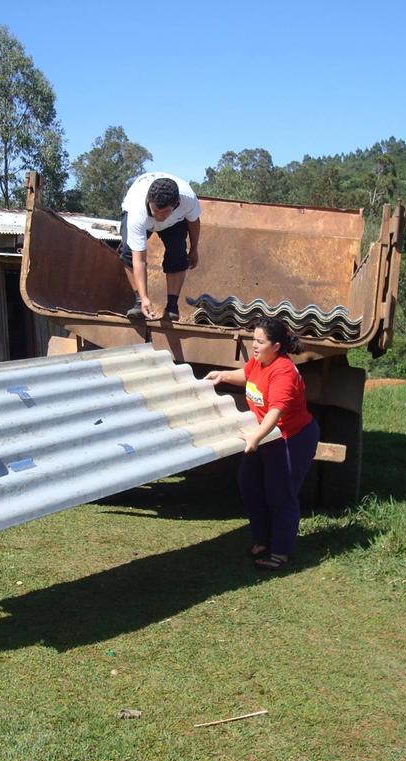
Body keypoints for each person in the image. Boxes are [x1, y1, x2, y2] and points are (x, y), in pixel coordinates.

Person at [205, 318, 320, 570]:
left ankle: (280, 551)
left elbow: (275, 413)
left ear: (276, 346)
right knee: (249, 482)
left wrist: (255, 438)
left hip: (292, 438)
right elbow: (247, 375)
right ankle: (264, 538)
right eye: (253, 339)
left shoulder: (284, 372)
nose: (253, 345)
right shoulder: (260, 361)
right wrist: (222, 375)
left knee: (281, 494)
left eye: (259, 341)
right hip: (267, 434)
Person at [118, 172, 201, 321]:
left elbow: (194, 222)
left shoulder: (187, 199)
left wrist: (194, 249)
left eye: (165, 212)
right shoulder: (137, 210)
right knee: (128, 253)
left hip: (174, 223)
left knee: (178, 255)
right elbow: (139, 260)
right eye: (156, 210)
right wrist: (144, 298)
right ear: (149, 201)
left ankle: (172, 307)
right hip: (140, 218)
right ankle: (138, 302)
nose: (160, 216)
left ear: (176, 205)